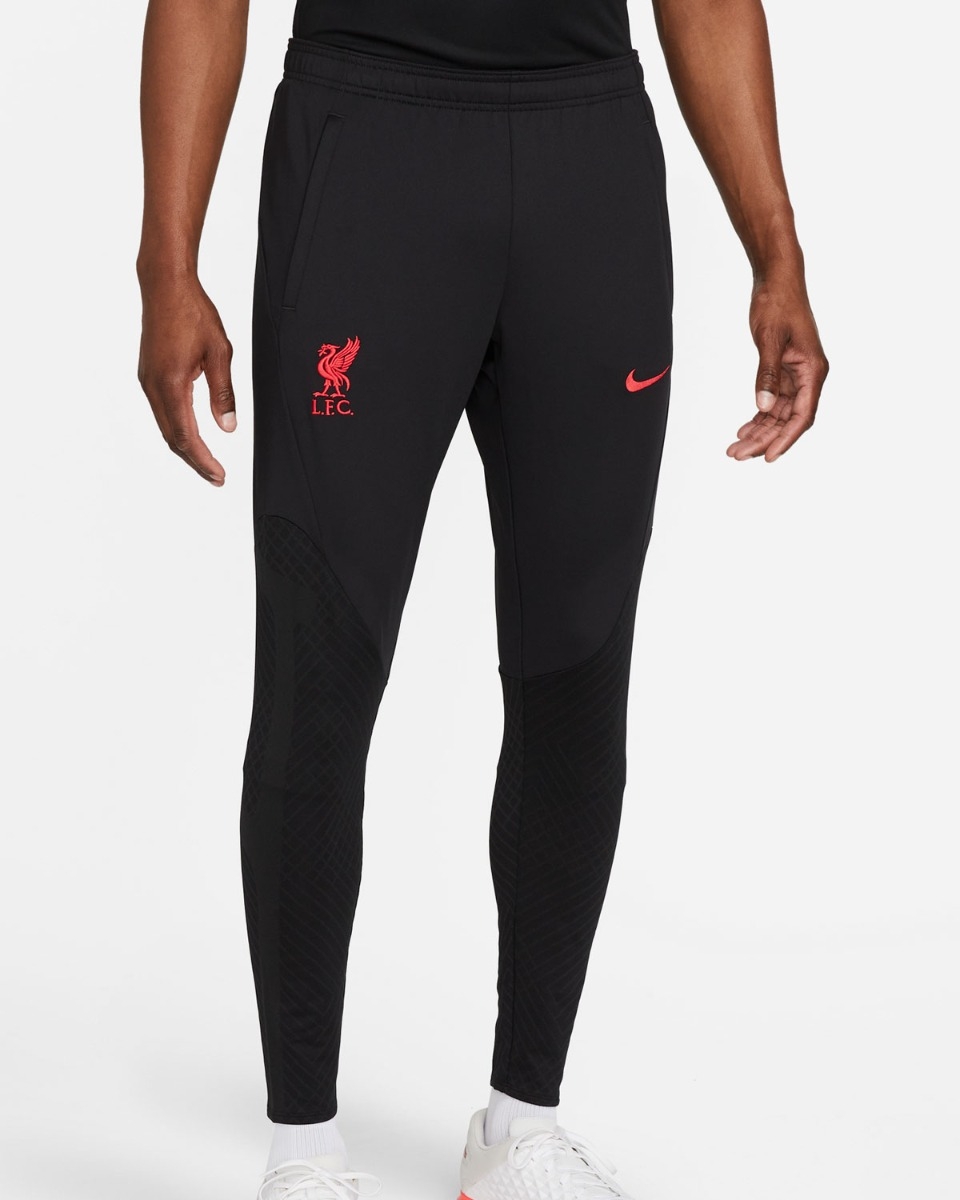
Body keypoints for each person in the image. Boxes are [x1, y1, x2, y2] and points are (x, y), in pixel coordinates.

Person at [136, 1, 828, 1197]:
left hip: (588, 169)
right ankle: (304, 1151)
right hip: (368, 158)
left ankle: (521, 1126)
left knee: (578, 666)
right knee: (318, 667)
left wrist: (778, 249)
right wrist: (166, 263)